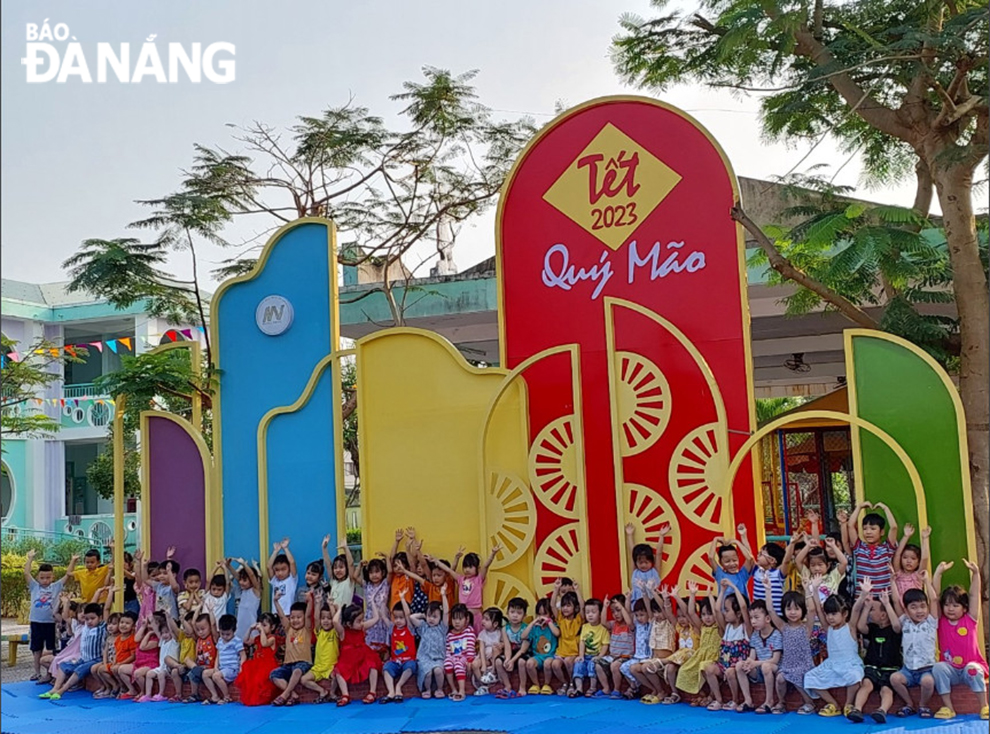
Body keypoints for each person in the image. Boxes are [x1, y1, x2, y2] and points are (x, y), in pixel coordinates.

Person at [931, 559, 988, 721]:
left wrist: (976, 574)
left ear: (964, 608)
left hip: (970, 668)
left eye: (955, 605)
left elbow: (974, 595)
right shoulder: (941, 621)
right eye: (947, 605)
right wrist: (938, 574)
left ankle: (984, 706)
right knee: (938, 667)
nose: (950, 608)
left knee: (972, 668)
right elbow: (934, 597)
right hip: (951, 670)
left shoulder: (970, 619)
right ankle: (948, 708)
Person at [804, 588, 866, 716]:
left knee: (855, 677)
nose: (830, 617)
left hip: (850, 664)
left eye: (834, 614)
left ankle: (849, 704)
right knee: (809, 677)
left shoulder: (851, 627)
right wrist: (814, 591)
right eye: (828, 614)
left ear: (844, 614)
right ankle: (834, 705)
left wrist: (863, 594)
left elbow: (856, 609)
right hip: (832, 665)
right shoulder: (828, 628)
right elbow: (819, 610)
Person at [847, 587, 901, 723]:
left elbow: (896, 625)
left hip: (890, 668)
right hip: (872, 666)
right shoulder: (873, 629)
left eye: (873, 610)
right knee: (866, 685)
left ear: (883, 615)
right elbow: (861, 627)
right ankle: (857, 709)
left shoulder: (894, 631)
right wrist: (866, 607)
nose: (870, 613)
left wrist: (887, 604)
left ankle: (882, 710)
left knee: (886, 690)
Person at [889, 572, 938, 718]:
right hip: (908, 670)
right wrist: (892, 581)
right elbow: (896, 601)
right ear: (906, 610)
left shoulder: (930, 621)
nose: (919, 611)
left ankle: (923, 705)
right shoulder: (904, 621)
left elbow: (934, 599)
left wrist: (926, 581)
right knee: (895, 679)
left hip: (926, 669)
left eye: (923, 606)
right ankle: (909, 704)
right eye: (914, 607)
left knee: (928, 682)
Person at [765, 579, 818, 714]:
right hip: (787, 665)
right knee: (780, 678)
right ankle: (781, 702)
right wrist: (768, 590)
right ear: (784, 610)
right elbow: (770, 610)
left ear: (802, 610)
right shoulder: (783, 627)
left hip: (803, 665)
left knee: (795, 676)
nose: (793, 612)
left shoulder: (806, 628)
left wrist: (808, 591)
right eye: (789, 609)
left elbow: (812, 610)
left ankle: (809, 703)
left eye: (796, 609)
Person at [24, 549, 78, 681]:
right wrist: (30, 558)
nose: (45, 580)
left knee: (51, 648)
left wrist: (73, 560)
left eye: (48, 577)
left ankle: (51, 673)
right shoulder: (34, 586)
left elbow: (68, 575)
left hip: (50, 622)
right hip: (36, 622)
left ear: (52, 577)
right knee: (36, 649)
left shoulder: (56, 586)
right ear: (38, 577)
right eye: (42, 577)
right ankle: (37, 672)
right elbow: (26, 573)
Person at [38, 602, 107, 701]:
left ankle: (61, 690)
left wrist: (109, 593)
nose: (89, 621)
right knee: (63, 665)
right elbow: (74, 615)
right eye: (87, 619)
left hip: (95, 659)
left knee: (78, 670)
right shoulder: (85, 627)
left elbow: (106, 609)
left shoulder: (101, 628)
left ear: (100, 618)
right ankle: (55, 688)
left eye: (92, 619)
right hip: (83, 659)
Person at [702, 580, 752, 712]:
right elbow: (717, 610)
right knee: (709, 669)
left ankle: (735, 700)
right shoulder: (727, 627)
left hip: (736, 667)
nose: (724, 613)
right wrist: (723, 590)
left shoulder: (745, 628)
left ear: (738, 613)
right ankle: (718, 699)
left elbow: (743, 607)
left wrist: (734, 587)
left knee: (730, 672)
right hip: (723, 664)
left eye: (728, 610)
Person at [427, 545, 499, 633]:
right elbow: (449, 570)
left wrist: (492, 554)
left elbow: (485, 566)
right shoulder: (460, 579)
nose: (467, 570)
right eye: (465, 567)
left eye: (470, 567)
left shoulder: (479, 579)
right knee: (464, 637)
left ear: (477, 568)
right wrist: (436, 561)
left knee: (477, 637)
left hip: (476, 615)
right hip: (463, 615)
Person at [673, 583, 721, 707]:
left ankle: (713, 696)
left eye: (709, 614)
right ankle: (701, 695)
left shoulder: (719, 627)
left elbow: (717, 613)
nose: (707, 618)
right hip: (701, 656)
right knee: (684, 670)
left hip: (714, 658)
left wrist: (710, 596)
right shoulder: (702, 627)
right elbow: (690, 612)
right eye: (704, 614)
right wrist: (692, 595)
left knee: (705, 668)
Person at [734, 598, 782, 714]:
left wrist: (756, 663)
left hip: (774, 669)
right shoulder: (755, 635)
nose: (753, 621)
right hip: (760, 669)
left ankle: (769, 701)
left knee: (766, 666)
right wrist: (748, 663)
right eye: (751, 618)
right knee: (739, 665)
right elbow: (752, 656)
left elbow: (775, 660)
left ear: (767, 618)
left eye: (756, 617)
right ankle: (748, 700)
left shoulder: (776, 634)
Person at [332, 601, 383, 706]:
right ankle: (345, 694)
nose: (362, 622)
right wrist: (340, 609)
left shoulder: (362, 627)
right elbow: (335, 621)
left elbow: (376, 619)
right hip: (348, 660)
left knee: (372, 665)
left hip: (363, 655)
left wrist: (372, 602)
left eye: (362, 620)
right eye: (359, 621)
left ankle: (372, 692)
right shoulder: (343, 632)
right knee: (338, 671)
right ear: (349, 624)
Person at [270, 589, 314, 706]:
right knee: (274, 675)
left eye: (299, 617)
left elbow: (309, 615)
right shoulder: (288, 629)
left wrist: (310, 601)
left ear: (304, 618)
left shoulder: (306, 630)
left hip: (303, 663)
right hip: (288, 664)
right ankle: (292, 694)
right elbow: (281, 615)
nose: (295, 620)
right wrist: (275, 601)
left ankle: (284, 695)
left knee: (297, 671)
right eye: (293, 617)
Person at [404, 589, 449, 699]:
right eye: (429, 616)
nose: (431, 619)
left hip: (438, 658)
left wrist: (443, 595)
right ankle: (427, 689)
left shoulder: (442, 628)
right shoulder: (423, 626)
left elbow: (447, 612)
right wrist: (423, 615)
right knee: (427, 673)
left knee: (438, 671)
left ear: (440, 617)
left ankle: (439, 689)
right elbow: (411, 617)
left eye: (435, 617)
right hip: (425, 658)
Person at [847, 502, 899, 595]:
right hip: (863, 597)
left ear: (882, 532)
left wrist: (885, 508)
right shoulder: (859, 547)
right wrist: (859, 507)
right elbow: (850, 526)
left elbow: (894, 527)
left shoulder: (887, 548)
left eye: (873, 528)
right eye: (865, 528)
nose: (868, 532)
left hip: (884, 597)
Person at [661, 592, 699, 704]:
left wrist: (678, 597)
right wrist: (666, 600)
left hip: (693, 659)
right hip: (679, 660)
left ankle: (661, 662)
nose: (681, 619)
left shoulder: (695, 628)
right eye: (679, 617)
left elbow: (689, 614)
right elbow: (669, 615)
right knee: (670, 667)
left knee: (686, 652)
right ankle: (675, 693)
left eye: (683, 616)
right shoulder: (679, 628)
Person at [234, 612, 280, 706]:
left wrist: (262, 631)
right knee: (248, 673)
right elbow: (245, 641)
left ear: (272, 627)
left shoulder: (272, 638)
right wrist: (250, 629)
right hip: (257, 664)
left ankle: (263, 698)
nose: (261, 628)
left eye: (264, 625)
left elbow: (264, 643)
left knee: (260, 680)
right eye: (260, 625)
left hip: (267, 665)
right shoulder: (257, 638)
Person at [300, 603, 340, 704]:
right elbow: (316, 618)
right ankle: (322, 691)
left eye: (329, 618)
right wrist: (317, 603)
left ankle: (332, 693)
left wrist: (331, 605)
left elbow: (336, 621)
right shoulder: (319, 631)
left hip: (331, 666)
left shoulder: (334, 632)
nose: (326, 621)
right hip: (318, 667)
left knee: (336, 675)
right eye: (323, 618)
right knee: (304, 680)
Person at [117, 611, 163, 700]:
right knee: (121, 669)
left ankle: (143, 692)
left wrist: (149, 634)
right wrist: (143, 626)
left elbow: (143, 647)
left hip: (151, 663)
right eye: (149, 623)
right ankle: (132, 690)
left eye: (152, 624)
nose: (150, 626)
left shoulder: (157, 638)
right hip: (139, 663)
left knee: (137, 673)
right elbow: (136, 639)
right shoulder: (144, 633)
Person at [137, 611, 181, 702]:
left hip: (169, 668)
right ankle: (148, 694)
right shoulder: (162, 641)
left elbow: (172, 630)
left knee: (161, 674)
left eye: (167, 632)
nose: (165, 635)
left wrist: (168, 618)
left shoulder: (174, 641)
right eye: (163, 633)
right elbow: (157, 631)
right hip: (161, 667)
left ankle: (161, 694)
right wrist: (151, 620)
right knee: (149, 674)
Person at [382, 597, 418, 702]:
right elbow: (384, 617)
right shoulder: (392, 628)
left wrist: (403, 598)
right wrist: (383, 603)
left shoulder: (410, 628)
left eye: (401, 618)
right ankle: (391, 691)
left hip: (408, 660)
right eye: (395, 617)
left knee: (411, 666)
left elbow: (408, 614)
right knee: (386, 667)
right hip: (395, 661)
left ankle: (398, 687)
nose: (398, 620)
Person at [202, 613, 244, 705]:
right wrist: (216, 666)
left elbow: (243, 655)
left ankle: (227, 696)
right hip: (222, 668)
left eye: (228, 634)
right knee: (205, 674)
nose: (225, 636)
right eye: (222, 634)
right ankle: (215, 696)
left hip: (231, 669)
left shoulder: (237, 641)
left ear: (234, 631)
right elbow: (218, 654)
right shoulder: (220, 641)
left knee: (216, 676)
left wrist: (241, 667)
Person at [599, 593, 634, 699]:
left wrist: (622, 608)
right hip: (613, 656)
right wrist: (605, 607)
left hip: (625, 657)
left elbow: (628, 620)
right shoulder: (613, 624)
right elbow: (603, 622)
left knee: (614, 666)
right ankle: (606, 688)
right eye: (613, 611)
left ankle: (617, 690)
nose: (616, 614)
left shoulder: (630, 625)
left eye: (618, 610)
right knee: (597, 663)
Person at [624, 521, 668, 603]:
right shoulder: (635, 571)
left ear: (651, 561)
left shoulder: (655, 571)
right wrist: (629, 535)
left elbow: (659, 554)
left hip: (652, 604)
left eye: (646, 562)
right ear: (636, 562)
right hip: (638, 606)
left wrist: (661, 536)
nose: (643, 565)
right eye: (641, 563)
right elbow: (632, 552)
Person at [523, 598, 559, 695]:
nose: (541, 617)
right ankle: (536, 685)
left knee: (547, 663)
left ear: (550, 614)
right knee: (529, 663)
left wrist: (549, 621)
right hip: (537, 656)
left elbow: (557, 633)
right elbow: (523, 636)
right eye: (539, 614)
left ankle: (547, 685)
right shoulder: (535, 628)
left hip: (551, 656)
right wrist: (533, 623)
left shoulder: (553, 626)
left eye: (545, 614)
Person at [708, 524, 756, 599]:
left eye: (734, 560)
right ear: (720, 562)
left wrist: (738, 541)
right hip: (724, 610)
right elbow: (711, 557)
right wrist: (715, 539)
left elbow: (749, 558)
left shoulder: (742, 575)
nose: (732, 564)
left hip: (742, 610)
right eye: (727, 561)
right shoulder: (720, 574)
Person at [497, 596, 531, 698]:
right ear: (507, 613)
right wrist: (507, 659)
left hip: (523, 653)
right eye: (512, 612)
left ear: (524, 615)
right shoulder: (505, 629)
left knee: (521, 662)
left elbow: (523, 649)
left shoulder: (526, 628)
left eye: (519, 613)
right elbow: (507, 647)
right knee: (499, 662)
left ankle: (522, 687)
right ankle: (507, 686)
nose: (515, 615)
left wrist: (513, 661)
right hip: (511, 653)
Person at [180, 611, 217, 703]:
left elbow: (213, 624)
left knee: (194, 672)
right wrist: (183, 620)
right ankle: (194, 694)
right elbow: (193, 624)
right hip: (199, 666)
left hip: (210, 667)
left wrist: (211, 611)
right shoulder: (198, 639)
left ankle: (197, 670)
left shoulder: (213, 638)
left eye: (203, 629)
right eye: (198, 630)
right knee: (188, 661)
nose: (200, 632)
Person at [443, 603, 477, 701]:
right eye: (454, 619)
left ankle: (462, 691)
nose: (457, 622)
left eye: (460, 619)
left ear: (466, 619)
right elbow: (448, 651)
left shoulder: (469, 631)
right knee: (447, 664)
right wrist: (449, 658)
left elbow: (470, 648)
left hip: (465, 658)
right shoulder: (449, 635)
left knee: (458, 665)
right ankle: (453, 689)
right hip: (454, 657)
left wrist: (470, 661)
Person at [358, 557, 390, 655]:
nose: (374, 575)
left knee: (383, 644)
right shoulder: (367, 585)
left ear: (383, 573)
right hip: (370, 617)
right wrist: (359, 566)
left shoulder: (385, 584)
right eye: (371, 572)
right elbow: (354, 576)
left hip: (382, 617)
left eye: (377, 572)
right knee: (369, 644)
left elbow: (391, 572)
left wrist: (387, 558)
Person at [225, 557, 261, 643]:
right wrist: (228, 566)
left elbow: (252, 575)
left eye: (244, 580)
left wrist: (244, 564)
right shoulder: (243, 591)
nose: (241, 582)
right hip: (239, 630)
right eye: (240, 580)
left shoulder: (255, 591)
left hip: (251, 630)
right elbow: (236, 576)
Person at [752, 540, 790, 615]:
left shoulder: (778, 574)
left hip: (776, 615)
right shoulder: (756, 571)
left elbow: (786, 561)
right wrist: (743, 536)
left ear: (772, 560)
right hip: (759, 616)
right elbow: (749, 557)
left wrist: (792, 543)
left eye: (761, 554)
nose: (757, 555)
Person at [892, 524, 930, 600]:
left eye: (913, 558)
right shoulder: (898, 574)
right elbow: (897, 555)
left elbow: (925, 558)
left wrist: (925, 539)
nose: (908, 561)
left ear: (918, 562)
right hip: (899, 609)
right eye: (905, 557)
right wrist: (906, 536)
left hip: (915, 608)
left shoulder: (918, 576)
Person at [473, 607, 505, 696]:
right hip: (486, 658)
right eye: (483, 618)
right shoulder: (482, 634)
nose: (483, 621)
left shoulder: (500, 632)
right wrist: (483, 665)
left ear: (495, 624)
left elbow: (505, 644)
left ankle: (493, 672)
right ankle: (482, 685)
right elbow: (481, 650)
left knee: (495, 648)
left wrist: (502, 645)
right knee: (474, 664)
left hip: (495, 657)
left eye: (486, 619)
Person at [321, 536, 359, 609]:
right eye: (335, 567)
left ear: (347, 568)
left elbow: (351, 564)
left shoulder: (349, 581)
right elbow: (328, 564)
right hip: (333, 614)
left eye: (341, 567)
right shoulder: (333, 581)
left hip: (345, 614)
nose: (338, 570)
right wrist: (324, 548)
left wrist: (345, 548)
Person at [90, 609, 121, 699]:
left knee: (101, 670)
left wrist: (110, 663)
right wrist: (104, 662)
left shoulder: (120, 638)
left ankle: (114, 686)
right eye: (109, 624)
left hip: (116, 661)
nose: (110, 627)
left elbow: (118, 652)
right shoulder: (109, 637)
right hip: (108, 661)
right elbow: (105, 651)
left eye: (114, 624)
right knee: (93, 668)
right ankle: (105, 686)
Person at [107, 611, 138, 699]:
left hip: (129, 663)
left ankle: (128, 689)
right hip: (119, 662)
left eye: (127, 623)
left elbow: (133, 656)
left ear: (133, 626)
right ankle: (121, 686)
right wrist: (114, 662)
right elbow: (117, 652)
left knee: (118, 669)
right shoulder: (118, 639)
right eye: (122, 622)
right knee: (107, 669)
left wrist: (120, 663)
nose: (123, 625)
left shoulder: (132, 639)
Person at [267, 538, 299, 617]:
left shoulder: (292, 579)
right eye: (277, 570)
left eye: (283, 569)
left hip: (287, 614)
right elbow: (268, 567)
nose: (280, 573)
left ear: (289, 569)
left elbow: (292, 562)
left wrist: (285, 548)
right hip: (275, 615)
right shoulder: (274, 580)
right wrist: (275, 551)